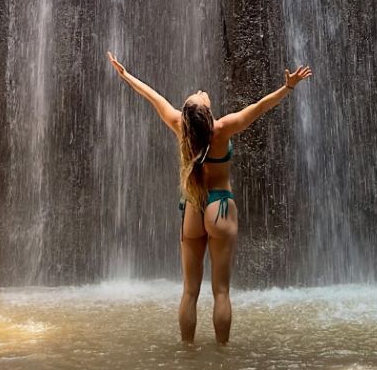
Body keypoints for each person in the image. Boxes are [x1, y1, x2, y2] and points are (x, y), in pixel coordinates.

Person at [106, 51, 312, 345]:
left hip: (193, 207)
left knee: (189, 291)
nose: (201, 92)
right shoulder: (223, 129)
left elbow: (153, 97)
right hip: (220, 207)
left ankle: (187, 351)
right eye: (200, 97)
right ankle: (222, 354)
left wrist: (126, 75)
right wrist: (288, 87)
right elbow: (260, 107)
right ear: (205, 113)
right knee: (221, 292)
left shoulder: (180, 127)